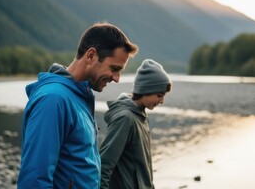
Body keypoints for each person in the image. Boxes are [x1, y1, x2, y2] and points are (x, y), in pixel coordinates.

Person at [17, 23, 138, 188]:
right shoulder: (53, 100)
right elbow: (34, 181)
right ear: (91, 56)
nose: (117, 78)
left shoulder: (79, 97)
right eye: (114, 68)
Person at [100, 59, 172, 189]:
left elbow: (143, 169)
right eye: (159, 95)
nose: (161, 101)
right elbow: (104, 166)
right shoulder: (125, 118)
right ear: (146, 90)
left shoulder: (140, 117)